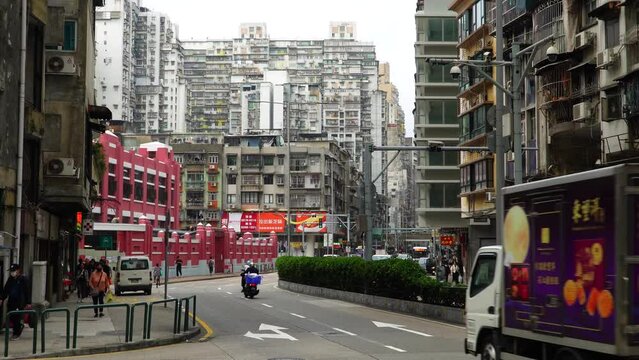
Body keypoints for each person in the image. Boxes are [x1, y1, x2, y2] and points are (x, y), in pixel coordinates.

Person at [1, 264, 29, 340]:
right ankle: (18, 328)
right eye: (11, 271)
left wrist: (27, 302)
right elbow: (6, 289)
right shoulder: (11, 279)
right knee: (11, 316)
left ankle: (16, 333)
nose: (12, 273)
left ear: (18, 271)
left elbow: (26, 291)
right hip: (11, 301)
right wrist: (2, 298)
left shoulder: (23, 279)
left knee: (16, 317)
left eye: (13, 271)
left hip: (19, 302)